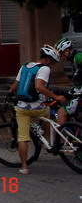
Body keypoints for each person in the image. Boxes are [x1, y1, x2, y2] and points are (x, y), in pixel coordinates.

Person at [8, 45, 66, 175]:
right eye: (53, 63)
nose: (53, 66)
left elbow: (15, 86)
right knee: (47, 112)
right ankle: (46, 140)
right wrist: (56, 97)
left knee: (22, 137)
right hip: (39, 108)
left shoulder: (24, 66)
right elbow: (39, 86)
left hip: (22, 108)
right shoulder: (44, 68)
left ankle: (24, 167)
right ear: (48, 59)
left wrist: (10, 90)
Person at [54, 37, 82, 125]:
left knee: (61, 112)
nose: (61, 57)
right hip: (79, 91)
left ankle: (60, 134)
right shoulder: (74, 60)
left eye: (61, 54)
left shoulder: (78, 57)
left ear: (67, 51)